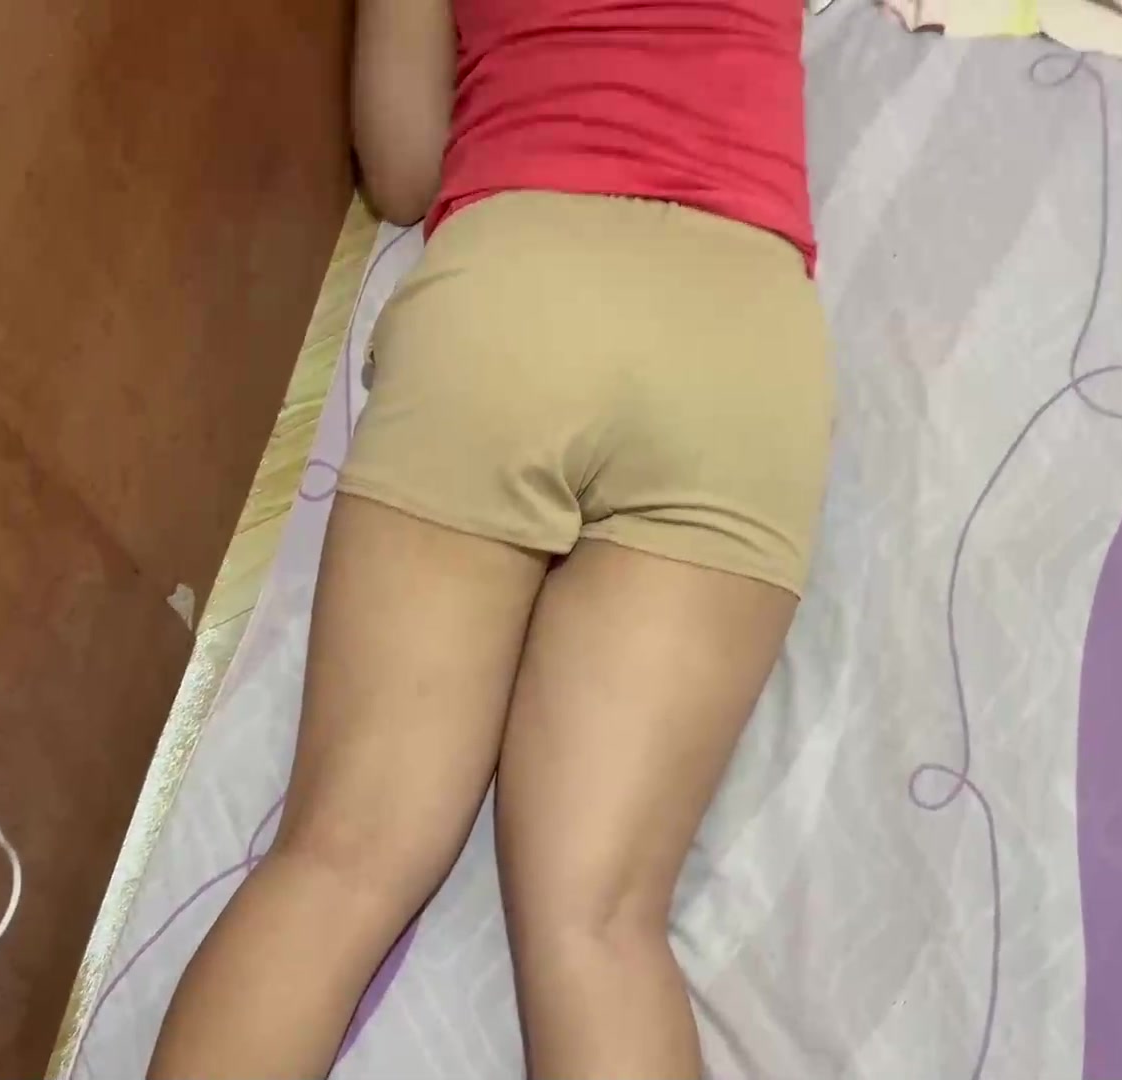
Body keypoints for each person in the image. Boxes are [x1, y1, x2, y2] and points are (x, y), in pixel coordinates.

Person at [147, 0, 828, 1075]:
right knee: (599, 928)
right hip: (743, 333)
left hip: (515, 290)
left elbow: (405, 170)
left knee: (341, 862)